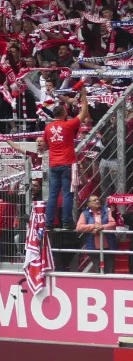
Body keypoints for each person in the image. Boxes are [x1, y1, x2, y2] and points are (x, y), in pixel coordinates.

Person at [39, 88, 90, 229]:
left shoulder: (48, 128)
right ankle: (67, 222)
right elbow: (83, 112)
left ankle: (48, 223)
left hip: (54, 164)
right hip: (68, 163)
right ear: (64, 113)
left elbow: (45, 146)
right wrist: (84, 96)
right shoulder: (68, 125)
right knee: (68, 194)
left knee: (53, 195)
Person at [77, 193, 116, 274]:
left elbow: (113, 224)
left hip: (109, 246)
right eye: (94, 200)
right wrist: (93, 226)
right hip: (93, 247)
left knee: (110, 269)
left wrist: (102, 227)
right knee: (97, 270)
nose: (97, 201)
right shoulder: (85, 213)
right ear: (88, 204)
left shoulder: (107, 210)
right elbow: (79, 227)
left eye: (98, 199)